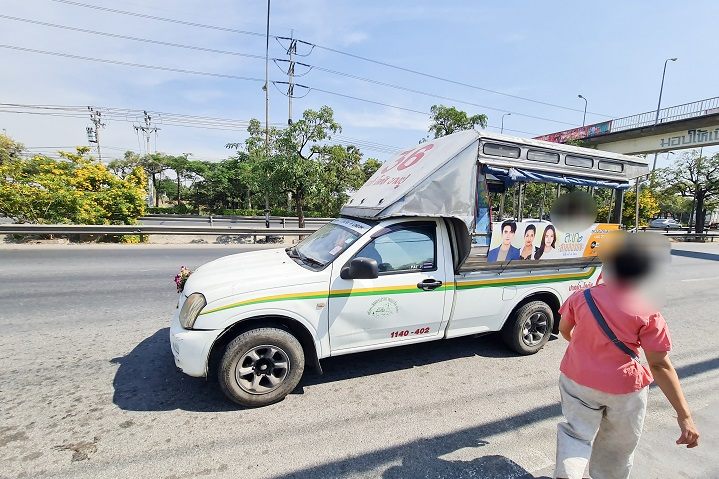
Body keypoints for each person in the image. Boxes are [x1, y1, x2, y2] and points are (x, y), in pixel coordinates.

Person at [554, 234, 699, 479]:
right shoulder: (648, 311)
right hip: (624, 391)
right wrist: (685, 417)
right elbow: (659, 365)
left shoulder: (581, 297)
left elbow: (564, 330)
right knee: (616, 450)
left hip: (576, 380)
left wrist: (583, 347)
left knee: (576, 435)